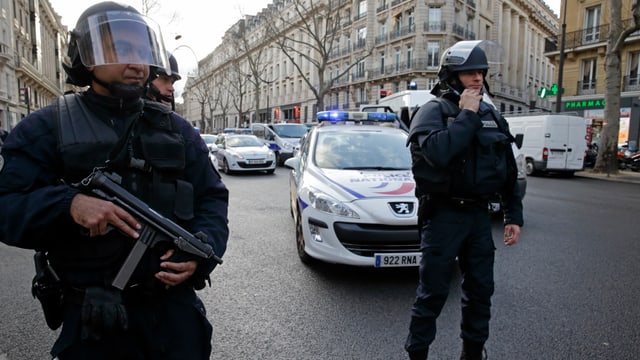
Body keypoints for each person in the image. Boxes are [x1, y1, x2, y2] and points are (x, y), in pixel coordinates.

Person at [0, 2, 229, 359]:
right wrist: (69, 205)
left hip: (174, 316)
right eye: (118, 49)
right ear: (86, 58)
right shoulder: (47, 128)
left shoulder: (176, 130)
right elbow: (6, 205)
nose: (136, 63)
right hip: (96, 318)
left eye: (141, 51)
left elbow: (212, 198)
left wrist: (202, 252)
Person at [404, 40, 523, 360]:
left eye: (481, 73)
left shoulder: (491, 114)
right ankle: (417, 353)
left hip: (478, 218)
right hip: (443, 216)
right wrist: (466, 116)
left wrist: (513, 215)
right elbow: (439, 154)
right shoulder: (432, 111)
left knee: (481, 291)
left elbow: (508, 167)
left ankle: (472, 353)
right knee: (432, 294)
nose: (477, 79)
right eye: (469, 72)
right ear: (452, 76)